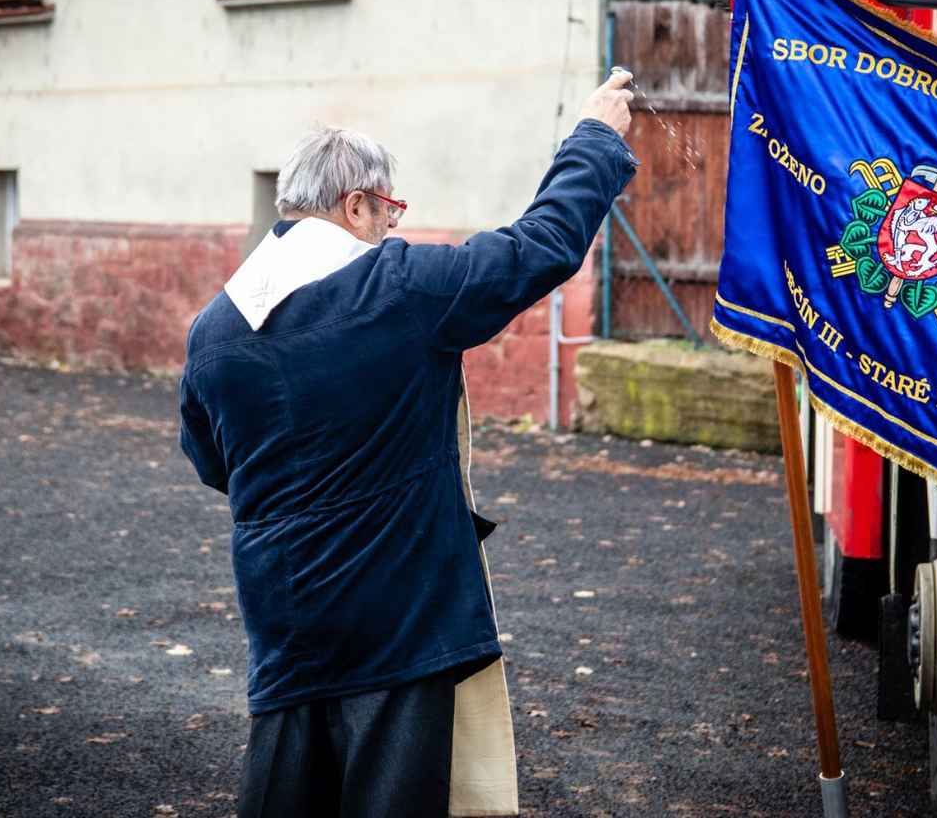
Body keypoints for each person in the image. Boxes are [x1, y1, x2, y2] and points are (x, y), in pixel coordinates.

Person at [178, 71, 636, 818]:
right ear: (355, 205)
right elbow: (542, 245)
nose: (392, 226)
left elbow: (213, 463)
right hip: (400, 621)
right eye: (388, 210)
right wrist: (596, 137)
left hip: (285, 626)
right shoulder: (397, 288)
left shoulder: (213, 329)